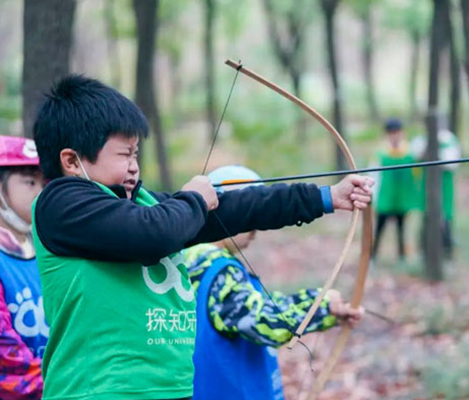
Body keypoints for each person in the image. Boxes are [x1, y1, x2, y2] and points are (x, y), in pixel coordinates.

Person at [31, 75, 374, 400]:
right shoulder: (62, 204)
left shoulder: (146, 207)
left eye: (136, 154)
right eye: (124, 154)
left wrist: (327, 197)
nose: (134, 166)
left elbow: (237, 209)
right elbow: (155, 233)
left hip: (168, 388)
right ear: (73, 161)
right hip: (99, 391)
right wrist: (194, 198)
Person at [185, 165, 364, 400]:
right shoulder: (219, 270)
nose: (256, 225)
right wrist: (321, 305)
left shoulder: (187, 259)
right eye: (250, 213)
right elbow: (262, 319)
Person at [0, 136, 46, 400]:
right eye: (30, 182)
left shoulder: (46, 253)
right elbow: (6, 355)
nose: (40, 192)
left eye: (43, 183)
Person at [372, 118, 420, 261]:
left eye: (397, 132)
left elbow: (416, 175)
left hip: (402, 198)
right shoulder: (381, 153)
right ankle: (372, 256)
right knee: (379, 228)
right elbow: (373, 175)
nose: (395, 135)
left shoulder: (411, 152)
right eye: (391, 133)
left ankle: (401, 256)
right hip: (385, 198)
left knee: (401, 228)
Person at [411, 128, 461, 257]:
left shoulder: (449, 140)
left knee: (445, 220)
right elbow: (416, 155)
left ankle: (446, 251)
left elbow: (451, 163)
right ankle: (424, 249)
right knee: (426, 218)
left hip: (444, 187)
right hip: (426, 186)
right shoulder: (422, 139)